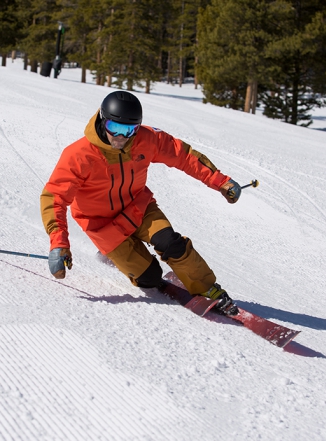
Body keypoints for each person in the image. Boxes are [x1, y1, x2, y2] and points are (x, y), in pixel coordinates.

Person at [40, 91, 243, 315]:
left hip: (138, 207)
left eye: (128, 130)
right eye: (113, 127)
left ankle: (207, 289)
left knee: (171, 243)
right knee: (150, 278)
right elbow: (54, 198)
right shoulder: (78, 155)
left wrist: (220, 181)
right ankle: (118, 258)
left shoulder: (146, 140)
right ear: (101, 119)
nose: (120, 136)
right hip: (102, 226)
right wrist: (59, 244)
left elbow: (183, 155)